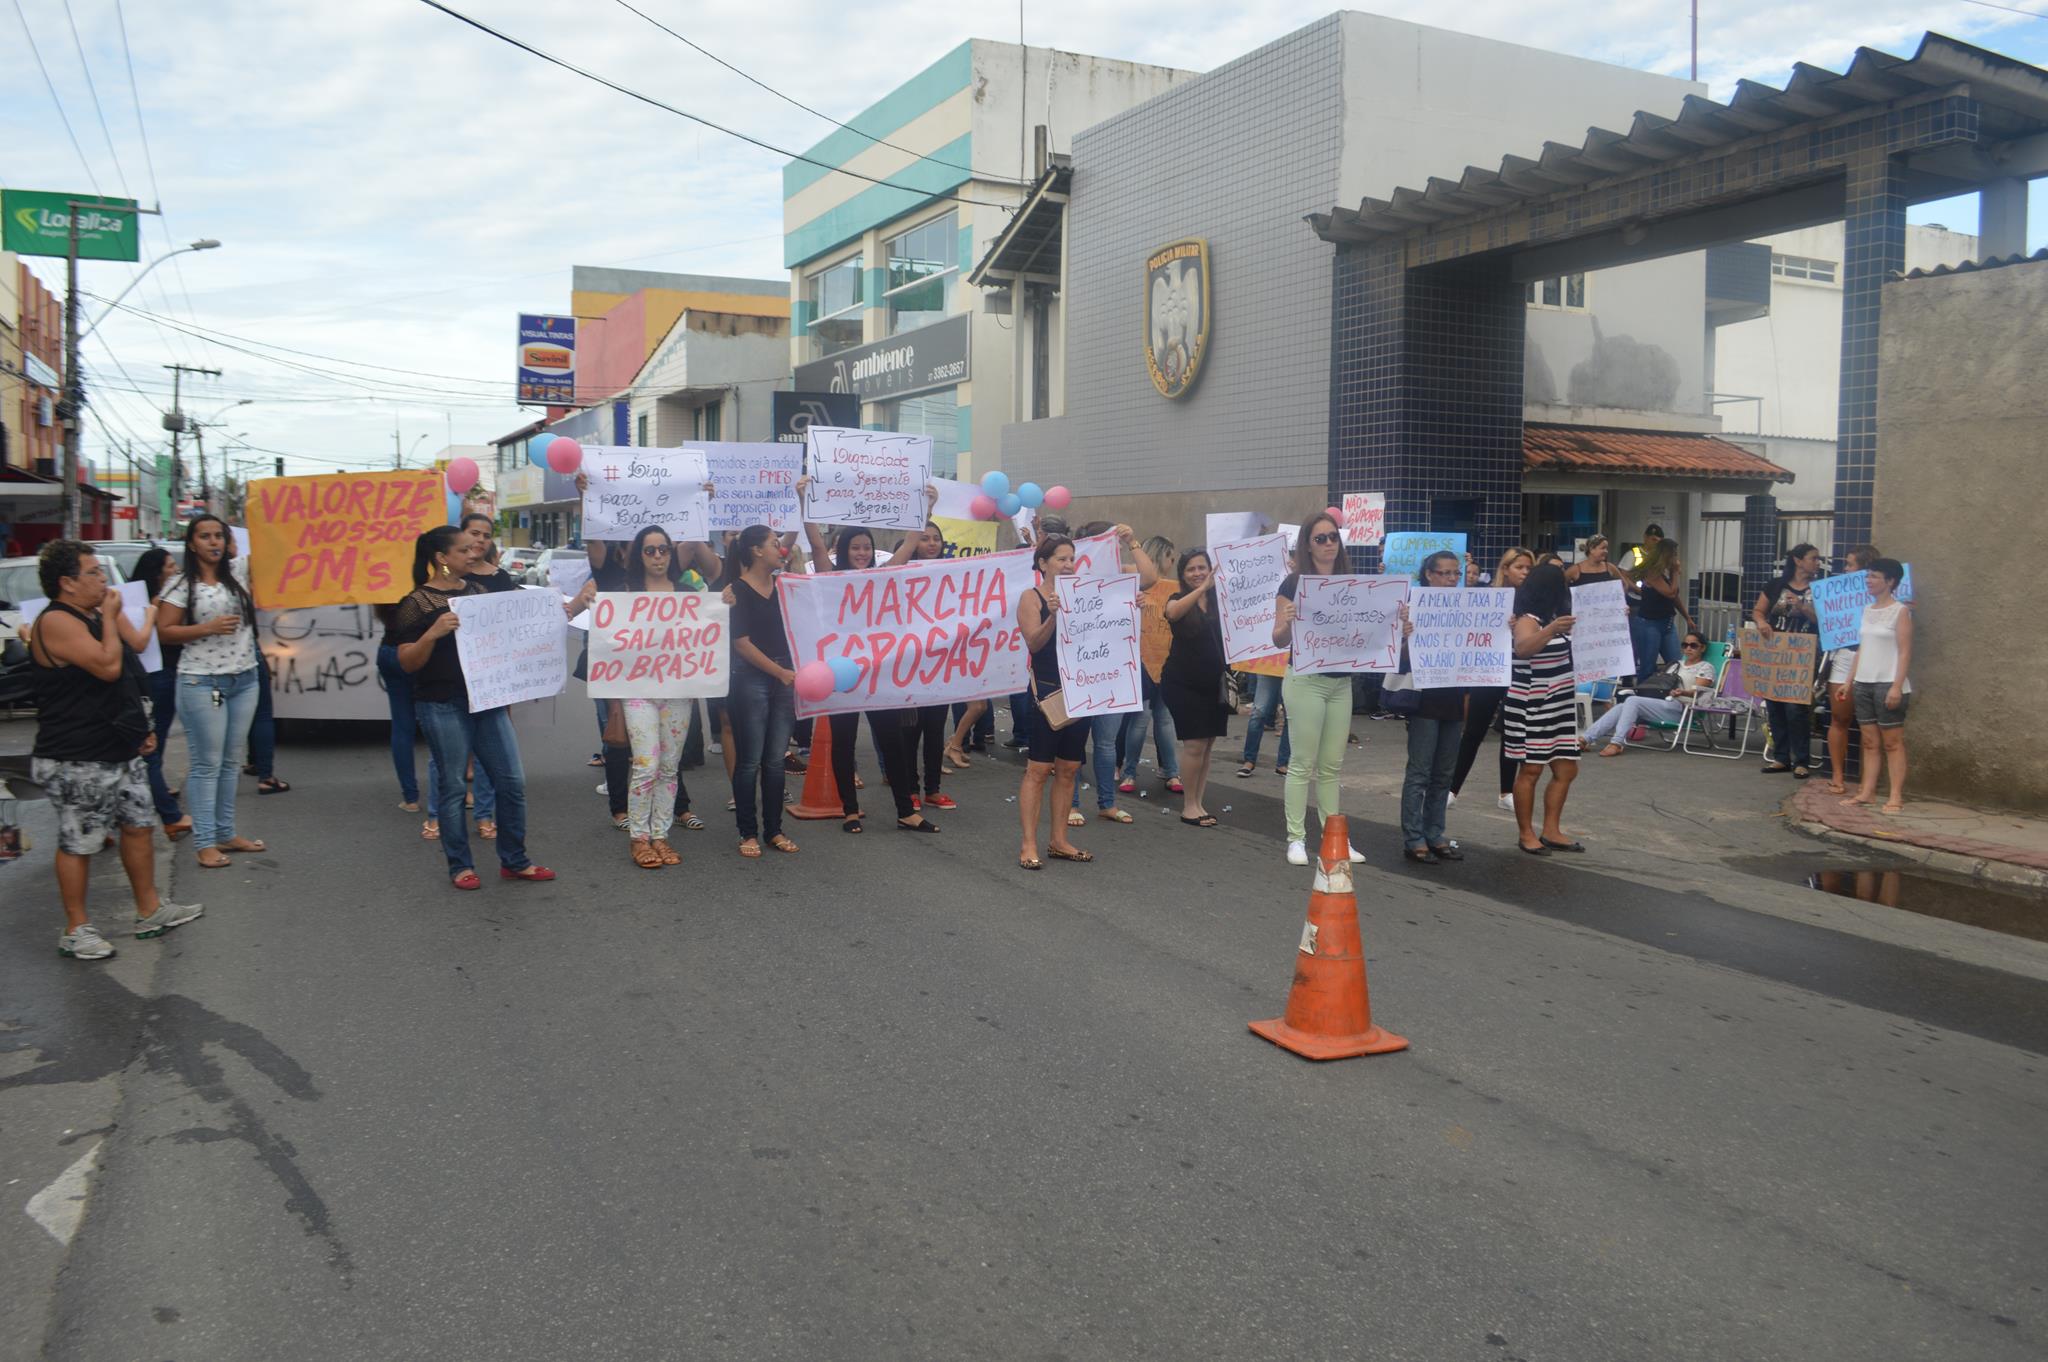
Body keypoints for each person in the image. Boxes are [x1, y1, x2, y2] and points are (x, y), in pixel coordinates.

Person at [28, 540, 203, 959]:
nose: (104, 580)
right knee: (80, 840)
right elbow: (106, 667)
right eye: (93, 573)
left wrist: (142, 726)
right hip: (76, 753)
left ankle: (150, 909)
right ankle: (76, 928)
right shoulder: (56, 621)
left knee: (139, 824)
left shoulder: (92, 615)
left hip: (118, 745)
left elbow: (129, 666)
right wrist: (109, 615)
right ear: (67, 583)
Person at [392, 525, 554, 889]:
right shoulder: (416, 603)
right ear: (441, 559)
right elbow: (407, 663)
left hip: (487, 700)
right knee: (451, 787)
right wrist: (432, 633)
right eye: (464, 550)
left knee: (511, 781)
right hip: (442, 704)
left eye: (475, 548)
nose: (473, 554)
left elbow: (519, 629)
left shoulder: (478, 593)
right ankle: (460, 866)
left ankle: (515, 860)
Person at [793, 484, 939, 835]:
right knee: (843, 743)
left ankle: (906, 810)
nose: (861, 553)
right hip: (840, 674)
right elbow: (814, 543)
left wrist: (926, 505)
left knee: (893, 742)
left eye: (867, 547)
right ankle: (850, 811)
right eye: (855, 547)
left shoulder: (882, 576)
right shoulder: (832, 576)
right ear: (842, 550)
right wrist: (804, 501)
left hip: (877, 672)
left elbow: (907, 544)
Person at [155, 515, 266, 870]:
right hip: (202, 681)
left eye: (219, 536)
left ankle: (225, 833)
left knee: (231, 761)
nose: (213, 542)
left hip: (244, 678)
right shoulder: (179, 585)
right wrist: (208, 627)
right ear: (192, 544)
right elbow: (164, 631)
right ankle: (204, 843)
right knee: (207, 764)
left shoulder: (240, 576)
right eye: (205, 536)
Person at [1271, 512, 1363, 865]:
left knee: (1331, 765)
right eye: (1320, 538)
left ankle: (1333, 837)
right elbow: (1278, 639)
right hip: (1306, 680)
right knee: (1302, 763)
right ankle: (1296, 838)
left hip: (1341, 682)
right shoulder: (1293, 584)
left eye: (1332, 537)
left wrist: (1396, 627)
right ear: (1307, 545)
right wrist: (1288, 622)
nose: (1328, 544)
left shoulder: (1352, 584)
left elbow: (1369, 633)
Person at [617, 524, 702, 868]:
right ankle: (639, 838)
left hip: (678, 692)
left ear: (671, 553)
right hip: (638, 692)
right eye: (650, 550)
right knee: (646, 765)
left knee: (669, 767)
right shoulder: (626, 594)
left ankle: (661, 834)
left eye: (663, 549)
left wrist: (723, 604)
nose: (657, 556)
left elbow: (703, 636)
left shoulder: (686, 593)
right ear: (639, 555)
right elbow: (613, 645)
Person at [722, 525, 801, 857]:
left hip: (784, 677)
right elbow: (741, 644)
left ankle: (774, 830)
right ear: (756, 550)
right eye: (774, 544)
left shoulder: (784, 587)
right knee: (750, 760)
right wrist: (780, 672)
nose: (780, 549)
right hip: (752, 679)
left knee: (775, 761)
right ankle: (747, 832)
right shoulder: (736, 590)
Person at [1015, 535, 1091, 867]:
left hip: (1081, 690)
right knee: (1038, 770)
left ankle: (1059, 840)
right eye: (1061, 559)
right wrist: (1054, 616)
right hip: (1048, 691)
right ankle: (1028, 844)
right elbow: (1033, 644)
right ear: (1043, 563)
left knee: (1069, 768)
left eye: (1071, 558)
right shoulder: (1030, 598)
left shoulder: (1085, 595)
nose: (1068, 564)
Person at [1504, 562, 1582, 855]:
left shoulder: (1554, 618)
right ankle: (1526, 833)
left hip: (1558, 704)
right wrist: (1550, 629)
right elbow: (1523, 648)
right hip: (1532, 704)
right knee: (1532, 769)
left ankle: (1551, 829)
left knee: (1566, 768)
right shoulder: (1528, 619)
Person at [1397, 551, 1468, 864]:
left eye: (1455, 573)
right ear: (1428, 574)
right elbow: (1395, 659)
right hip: (1424, 700)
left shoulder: (1465, 607)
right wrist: (1404, 637)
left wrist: (1501, 628)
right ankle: (1414, 838)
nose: (1451, 580)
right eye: (1445, 573)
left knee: (1444, 774)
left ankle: (1435, 833)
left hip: (1453, 698)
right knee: (1420, 772)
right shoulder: (1411, 608)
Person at [1450, 546, 1533, 812]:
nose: (1525, 573)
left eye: (1529, 568)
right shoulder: (1489, 596)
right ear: (1505, 569)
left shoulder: (1531, 600)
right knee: (1474, 731)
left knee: (1511, 733)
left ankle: (1506, 791)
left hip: (1518, 670)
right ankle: (1452, 788)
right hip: (1489, 670)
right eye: (1520, 567)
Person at [1162, 547, 1233, 829]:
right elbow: (1173, 613)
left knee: (1207, 745)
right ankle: (1189, 806)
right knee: (1194, 744)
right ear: (1182, 574)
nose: (1197, 573)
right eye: (1191, 569)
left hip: (1215, 684)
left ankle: (1198, 801)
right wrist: (1202, 588)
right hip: (1183, 683)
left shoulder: (1219, 599)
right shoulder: (1178, 598)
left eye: (1202, 568)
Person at [131, 545, 192, 840]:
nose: (176, 571)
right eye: (170, 566)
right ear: (157, 574)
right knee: (150, 746)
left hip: (157, 677)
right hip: (157, 678)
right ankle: (170, 814)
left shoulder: (154, 600)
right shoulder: (151, 603)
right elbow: (144, 641)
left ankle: (159, 791)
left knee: (156, 740)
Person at [896, 518, 958, 811]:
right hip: (910, 668)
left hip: (940, 667)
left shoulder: (952, 574)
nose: (931, 543)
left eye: (936, 538)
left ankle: (932, 789)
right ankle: (909, 789)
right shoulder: (902, 574)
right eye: (924, 538)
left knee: (935, 731)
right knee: (910, 732)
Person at [1845, 557, 1913, 813]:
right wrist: (1849, 680)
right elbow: (1862, 649)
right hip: (1864, 682)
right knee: (1869, 742)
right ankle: (1867, 792)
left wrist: (1896, 686)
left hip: (1888, 683)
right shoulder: (1866, 610)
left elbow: (1905, 652)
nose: (1869, 581)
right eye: (1868, 576)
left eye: (1874, 577)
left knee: (1893, 743)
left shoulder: (1900, 611)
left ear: (1890, 581)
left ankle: (1895, 796)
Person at [1117, 534, 1183, 797]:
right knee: (1141, 719)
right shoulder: (1133, 577)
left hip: (1167, 661)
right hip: (1139, 660)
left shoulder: (1174, 586)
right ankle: (1129, 772)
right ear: (1161, 556)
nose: (1173, 563)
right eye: (1171, 558)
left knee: (1164, 720)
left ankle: (1171, 771)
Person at [1581, 630, 1717, 756]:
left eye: (1693, 645)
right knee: (1621, 706)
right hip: (1664, 704)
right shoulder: (1676, 664)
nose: (1688, 648)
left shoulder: (1705, 667)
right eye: (1685, 645)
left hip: (1683, 709)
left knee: (1632, 701)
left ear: (1702, 648)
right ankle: (1586, 739)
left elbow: (1697, 692)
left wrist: (1683, 692)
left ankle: (1617, 742)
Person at [1752, 542, 1821, 778]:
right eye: (1813, 558)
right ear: (1798, 560)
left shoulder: (1819, 588)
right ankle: (1780, 757)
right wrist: (1761, 623)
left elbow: (1823, 620)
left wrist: (1802, 606)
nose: (1817, 563)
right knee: (1775, 705)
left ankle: (1801, 760)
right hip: (1776, 652)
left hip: (1803, 654)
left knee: (1796, 708)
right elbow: (1758, 611)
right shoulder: (1776, 586)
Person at [1825, 544, 1882, 794]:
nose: (1845, 570)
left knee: (1873, 723)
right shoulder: (1839, 595)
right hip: (1846, 654)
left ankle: (1869, 781)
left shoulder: (1885, 595)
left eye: (1850, 565)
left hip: (1875, 659)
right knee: (1839, 716)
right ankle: (1838, 775)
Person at [1631, 537, 1694, 681]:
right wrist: (1676, 572)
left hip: (1667, 623)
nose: (1676, 557)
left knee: (1676, 664)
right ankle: (1642, 694)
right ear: (1666, 555)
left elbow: (1674, 597)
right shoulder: (1652, 573)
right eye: (1674, 554)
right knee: (1648, 666)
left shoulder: (1666, 572)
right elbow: (1670, 593)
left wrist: (1687, 617)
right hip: (1649, 624)